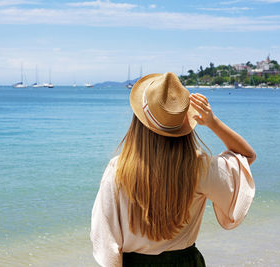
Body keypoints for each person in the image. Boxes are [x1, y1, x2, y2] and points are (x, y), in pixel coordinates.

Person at [90, 72, 256, 267]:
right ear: (184, 123)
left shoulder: (119, 169)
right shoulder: (200, 168)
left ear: (138, 123)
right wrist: (213, 122)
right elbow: (246, 157)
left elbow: (105, 238)